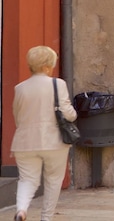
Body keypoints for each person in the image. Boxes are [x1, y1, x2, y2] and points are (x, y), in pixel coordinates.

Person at [10, 46, 77, 221]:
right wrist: (73, 114)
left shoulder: (20, 88)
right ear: (48, 66)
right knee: (53, 180)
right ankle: (46, 218)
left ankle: (21, 210)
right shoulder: (58, 84)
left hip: (25, 141)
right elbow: (68, 113)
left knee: (27, 180)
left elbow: (18, 116)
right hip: (53, 140)